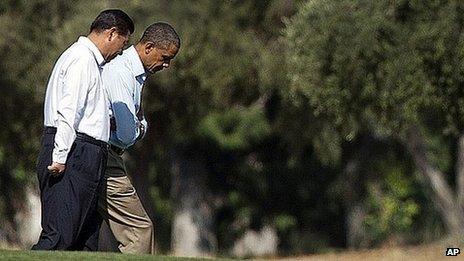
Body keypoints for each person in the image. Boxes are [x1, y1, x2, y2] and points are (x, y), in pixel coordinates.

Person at [32, 9, 134, 251]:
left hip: (87, 153)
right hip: (73, 152)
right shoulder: (81, 59)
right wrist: (59, 156)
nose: (121, 50)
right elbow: (69, 111)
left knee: (84, 242)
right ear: (112, 34)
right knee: (59, 238)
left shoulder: (92, 63)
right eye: (123, 42)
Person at [99, 22, 180, 254]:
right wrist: (138, 128)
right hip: (107, 156)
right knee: (139, 230)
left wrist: (137, 125)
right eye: (165, 57)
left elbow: (137, 122)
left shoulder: (135, 74)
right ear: (149, 47)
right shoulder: (122, 71)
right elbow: (126, 134)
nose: (166, 65)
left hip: (107, 154)